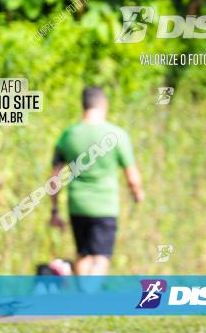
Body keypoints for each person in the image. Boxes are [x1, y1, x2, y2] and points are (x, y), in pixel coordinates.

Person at [49, 86, 144, 275]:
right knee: (101, 257)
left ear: (82, 105)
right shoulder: (117, 135)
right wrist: (137, 193)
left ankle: (83, 297)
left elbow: (54, 179)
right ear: (104, 105)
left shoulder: (68, 135)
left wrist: (54, 210)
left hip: (77, 205)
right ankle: (89, 297)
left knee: (83, 254)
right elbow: (132, 177)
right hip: (105, 206)